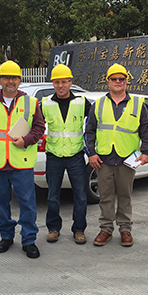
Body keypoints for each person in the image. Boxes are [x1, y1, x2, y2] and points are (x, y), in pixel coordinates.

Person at [0, 60, 45, 259]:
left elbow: (39, 128)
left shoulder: (30, 102)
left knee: (27, 202)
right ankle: (6, 236)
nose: (10, 81)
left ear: (20, 80)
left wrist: (26, 140)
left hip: (21, 162)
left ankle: (29, 240)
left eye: (14, 77)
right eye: (6, 77)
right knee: (1, 202)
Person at [86, 63, 148, 247]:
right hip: (104, 158)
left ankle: (125, 229)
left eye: (121, 79)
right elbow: (89, 130)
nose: (117, 82)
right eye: (114, 79)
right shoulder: (98, 104)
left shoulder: (138, 104)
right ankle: (106, 229)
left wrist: (147, 152)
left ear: (126, 82)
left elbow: (145, 131)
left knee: (125, 195)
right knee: (105, 196)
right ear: (108, 82)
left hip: (127, 158)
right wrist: (91, 153)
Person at [41, 64, 91, 244]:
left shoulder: (82, 103)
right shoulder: (45, 103)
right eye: (56, 82)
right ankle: (53, 228)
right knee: (53, 196)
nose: (60, 85)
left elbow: (93, 126)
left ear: (71, 83)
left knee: (81, 195)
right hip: (54, 155)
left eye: (64, 82)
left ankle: (79, 230)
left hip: (76, 156)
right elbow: (36, 126)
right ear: (52, 83)